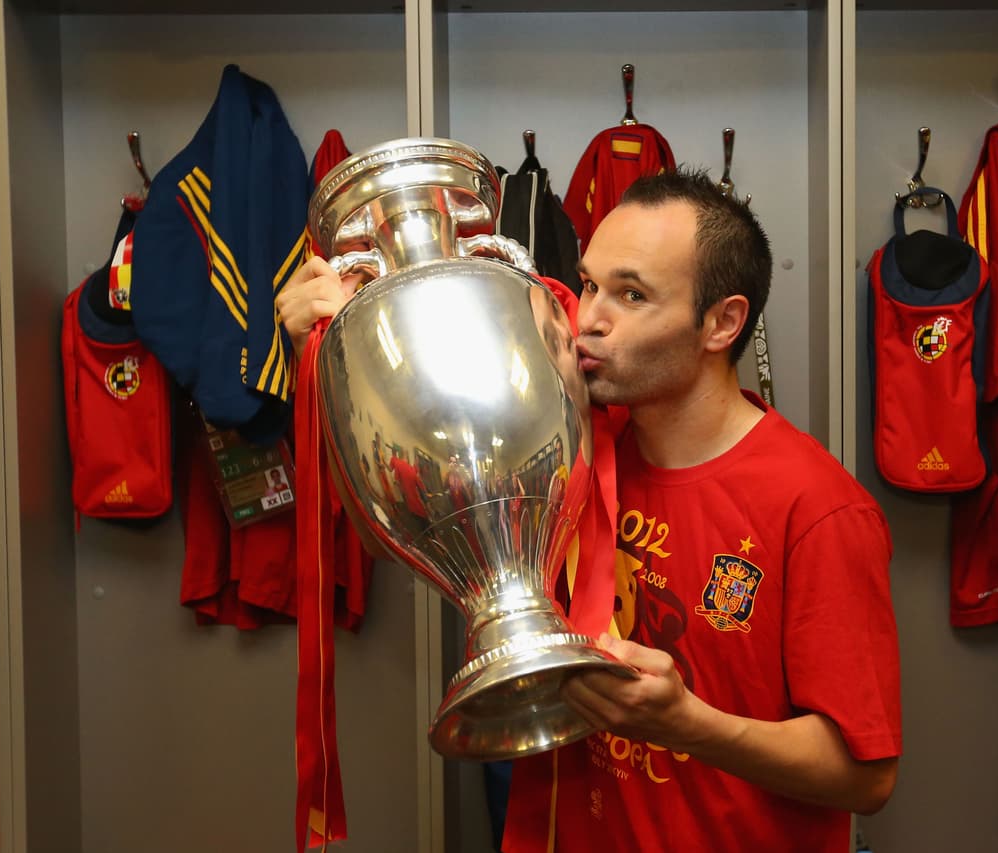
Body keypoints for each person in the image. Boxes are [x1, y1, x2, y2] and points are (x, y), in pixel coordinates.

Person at [276, 167, 901, 852]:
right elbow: (397, 510)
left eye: (631, 294)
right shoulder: (562, 442)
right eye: (590, 284)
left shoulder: (817, 507)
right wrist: (340, 341)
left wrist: (688, 723)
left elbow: (865, 774)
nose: (590, 317)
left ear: (722, 322)